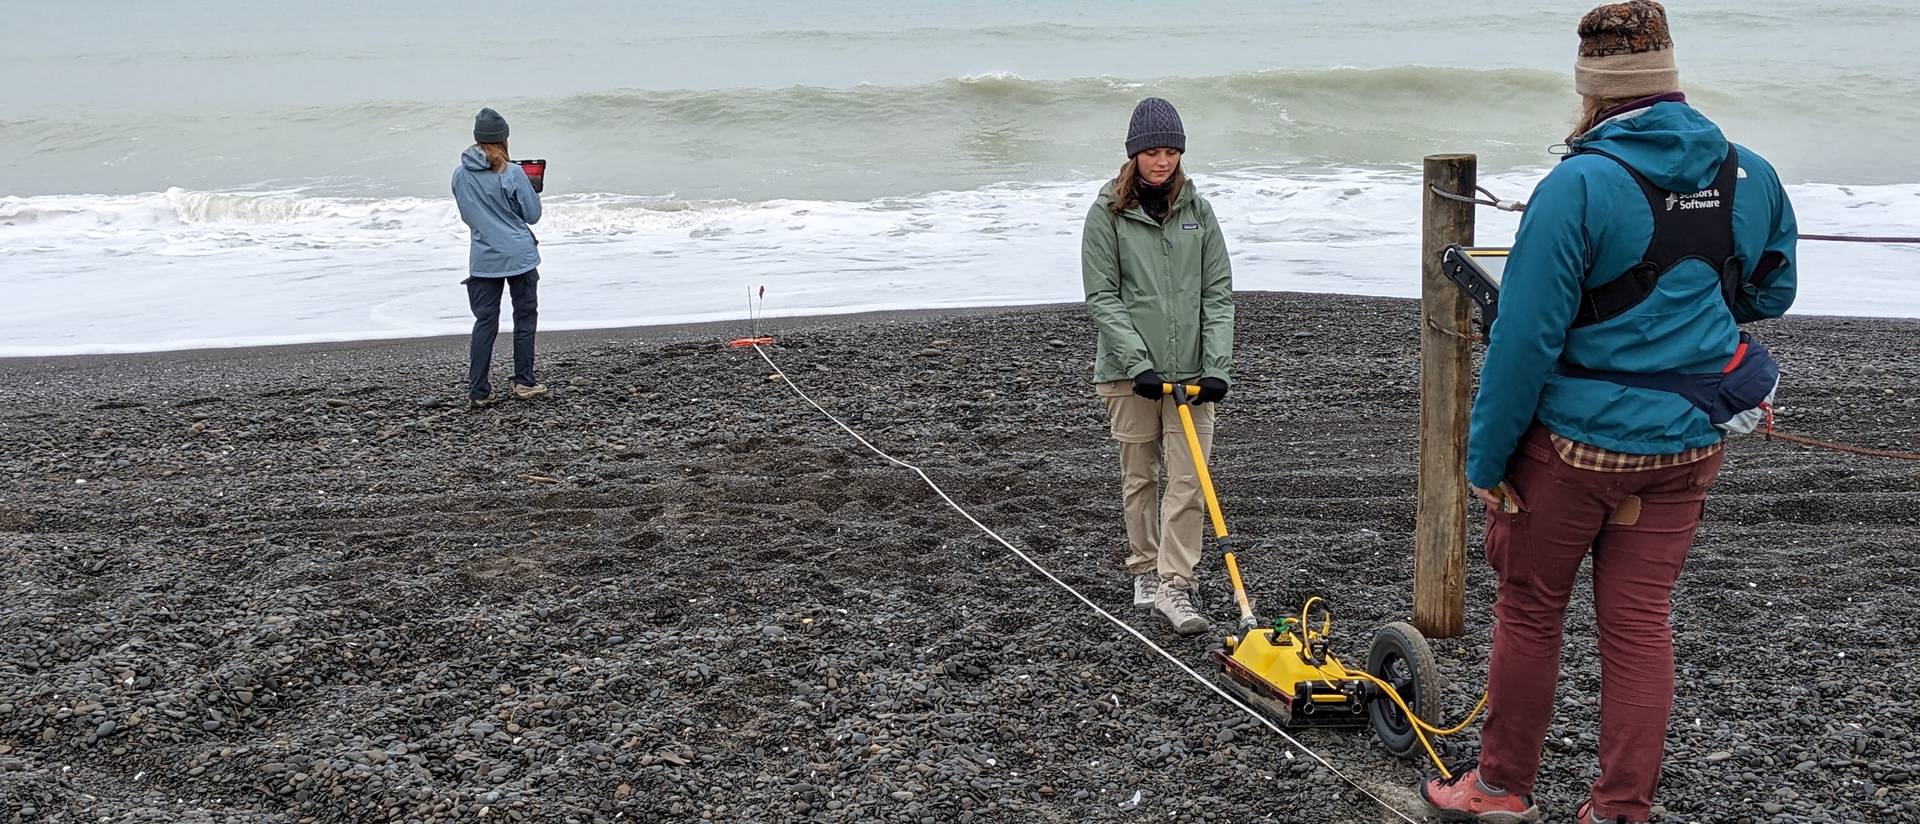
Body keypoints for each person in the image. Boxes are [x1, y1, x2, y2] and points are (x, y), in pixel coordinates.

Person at [1419, 3, 1797, 822]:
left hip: (1575, 453)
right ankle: (1621, 807)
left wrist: (1485, 465)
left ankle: (1500, 788)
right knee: (1638, 624)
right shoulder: (1750, 174)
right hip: (1690, 445)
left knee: (1529, 610)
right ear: (1669, 79)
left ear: (1591, 92)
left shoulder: (1577, 186)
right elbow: (1772, 291)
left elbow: (1522, 346)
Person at [1080, 97, 1236, 636]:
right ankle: (1145, 567)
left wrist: (1216, 366)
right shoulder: (1107, 213)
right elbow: (1102, 297)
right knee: (1140, 475)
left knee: (1190, 479)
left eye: (1171, 151)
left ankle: (1177, 583)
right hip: (1128, 375)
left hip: (1192, 371)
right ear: (1134, 154)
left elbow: (1217, 295)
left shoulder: (1199, 212)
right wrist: (1139, 363)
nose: (1162, 161)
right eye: (1152, 151)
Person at [452, 107, 546, 409]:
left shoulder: (459, 175)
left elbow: (470, 216)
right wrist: (530, 191)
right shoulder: (512, 172)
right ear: (503, 139)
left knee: (485, 322)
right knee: (524, 318)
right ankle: (523, 382)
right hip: (518, 254)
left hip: (483, 257)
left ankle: (479, 390)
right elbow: (532, 215)